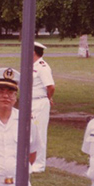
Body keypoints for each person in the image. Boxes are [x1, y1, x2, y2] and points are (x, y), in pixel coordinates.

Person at [31, 42, 56, 173]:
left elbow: (51, 86)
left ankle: (39, 165)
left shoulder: (42, 67)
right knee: (30, 134)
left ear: (33, 52)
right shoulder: (32, 66)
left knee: (39, 135)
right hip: (30, 102)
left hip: (40, 103)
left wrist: (48, 97)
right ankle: (30, 161)